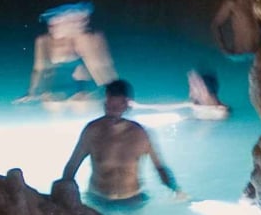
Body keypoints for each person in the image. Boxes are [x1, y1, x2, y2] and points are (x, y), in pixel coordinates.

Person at [58, 81, 187, 204]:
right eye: (109, 104)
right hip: (99, 198)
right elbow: (72, 165)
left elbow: (159, 168)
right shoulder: (92, 131)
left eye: (117, 104)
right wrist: (62, 195)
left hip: (132, 198)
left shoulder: (140, 134)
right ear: (105, 102)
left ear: (126, 104)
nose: (112, 108)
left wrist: (176, 190)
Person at [18, 2, 117, 102]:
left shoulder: (88, 40)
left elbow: (102, 68)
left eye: (58, 23)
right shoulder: (44, 41)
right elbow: (39, 69)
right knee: (52, 104)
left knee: (81, 104)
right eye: (51, 24)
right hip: (59, 87)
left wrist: (117, 94)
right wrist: (32, 92)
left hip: (87, 88)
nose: (51, 27)